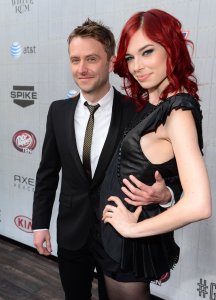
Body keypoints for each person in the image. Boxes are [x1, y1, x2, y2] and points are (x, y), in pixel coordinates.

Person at [32, 18, 181, 300]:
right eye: (75, 60)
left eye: (91, 59)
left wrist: (165, 195)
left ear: (111, 62)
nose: (82, 68)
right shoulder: (58, 111)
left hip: (122, 235)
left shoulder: (138, 112)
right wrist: (40, 224)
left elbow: (169, 176)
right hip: (72, 233)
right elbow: (48, 173)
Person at [101, 9, 212, 300]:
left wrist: (130, 230)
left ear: (171, 48)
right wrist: (166, 195)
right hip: (113, 239)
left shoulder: (178, 111)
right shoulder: (149, 102)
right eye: (130, 57)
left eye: (147, 51)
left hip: (131, 243)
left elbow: (200, 204)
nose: (137, 66)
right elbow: (164, 169)